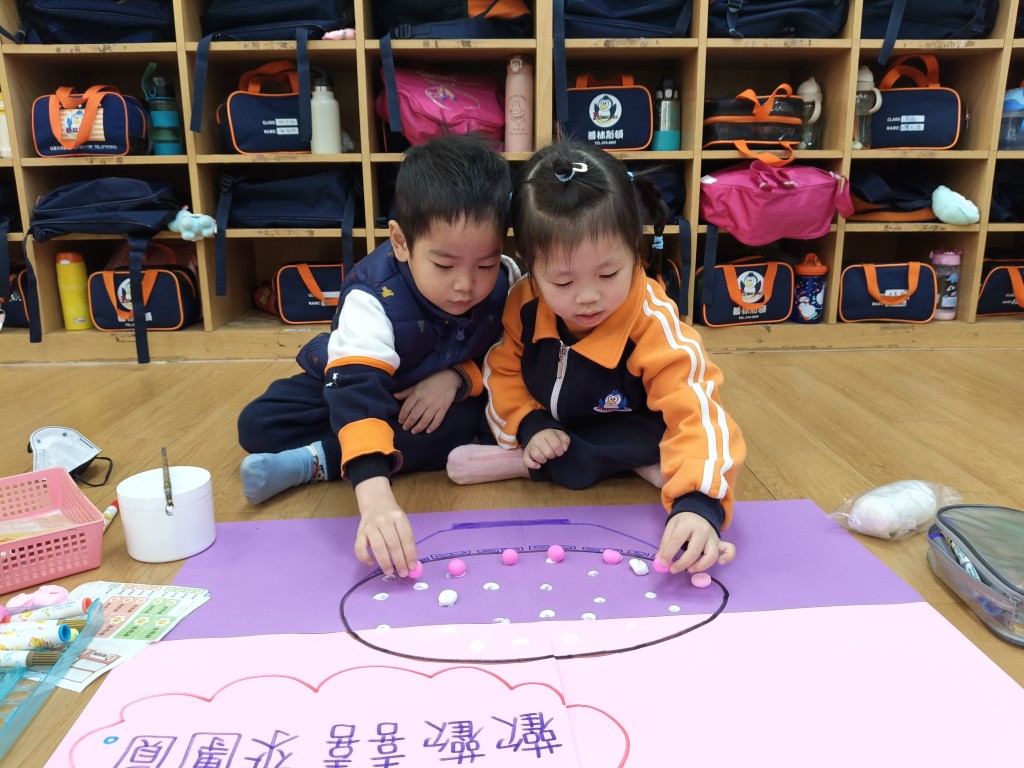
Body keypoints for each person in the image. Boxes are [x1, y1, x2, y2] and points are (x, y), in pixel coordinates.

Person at [446, 139, 746, 575]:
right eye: (562, 282)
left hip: (625, 425)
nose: (588, 297)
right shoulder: (523, 301)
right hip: (555, 422)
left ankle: (558, 463)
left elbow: (699, 411)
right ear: (530, 266)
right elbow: (502, 370)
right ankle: (570, 457)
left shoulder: (651, 320)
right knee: (480, 415)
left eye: (608, 273)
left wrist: (699, 506)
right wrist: (530, 423)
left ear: (634, 250)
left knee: (655, 440)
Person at [238, 134, 518, 577]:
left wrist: (458, 378)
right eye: (444, 266)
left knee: (466, 424)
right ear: (401, 242)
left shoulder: (506, 282)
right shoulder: (372, 295)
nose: (466, 285)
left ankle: (318, 460)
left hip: (436, 396)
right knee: (260, 423)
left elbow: (507, 357)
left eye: (485, 264)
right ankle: (360, 447)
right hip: (360, 376)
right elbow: (357, 388)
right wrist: (374, 497)